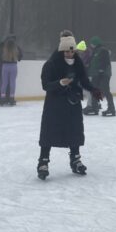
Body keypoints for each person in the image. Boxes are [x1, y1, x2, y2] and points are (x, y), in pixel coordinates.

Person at [37, 31, 103, 180]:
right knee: (49, 131)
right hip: (54, 104)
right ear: (61, 50)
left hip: (72, 103)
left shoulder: (78, 63)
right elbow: (45, 85)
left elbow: (84, 80)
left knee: (74, 130)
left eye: (72, 50)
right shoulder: (51, 64)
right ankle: (43, 161)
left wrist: (93, 90)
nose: (69, 53)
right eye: (66, 50)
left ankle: (75, 159)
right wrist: (60, 83)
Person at [85, 36, 115, 116]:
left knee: (106, 91)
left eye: (92, 43)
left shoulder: (103, 50)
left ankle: (111, 109)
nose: (91, 45)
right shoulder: (95, 51)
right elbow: (91, 63)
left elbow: (106, 62)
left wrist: (101, 70)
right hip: (96, 74)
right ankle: (95, 108)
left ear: (95, 43)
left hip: (104, 74)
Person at [0, 35, 23, 106]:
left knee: (4, 82)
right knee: (12, 83)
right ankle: (11, 98)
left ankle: (2, 98)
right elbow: (20, 57)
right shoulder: (16, 48)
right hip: (13, 66)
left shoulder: (4, 48)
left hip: (5, 66)